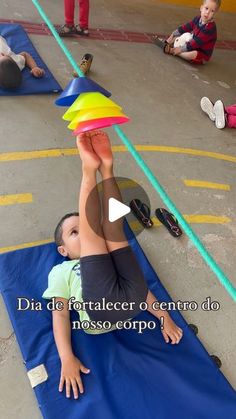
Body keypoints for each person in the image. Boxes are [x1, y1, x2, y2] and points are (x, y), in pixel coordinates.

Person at [43, 130, 183, 399]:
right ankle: (91, 170)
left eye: (80, 228)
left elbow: (142, 292)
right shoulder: (61, 271)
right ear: (63, 250)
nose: (81, 234)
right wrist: (66, 357)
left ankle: (106, 169)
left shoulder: (100, 245)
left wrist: (164, 316)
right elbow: (60, 314)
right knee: (103, 232)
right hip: (101, 310)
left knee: (112, 228)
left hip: (132, 296)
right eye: (75, 233)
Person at [154, 0, 220, 64]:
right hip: (193, 44)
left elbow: (196, 43)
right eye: (206, 8)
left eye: (212, 11)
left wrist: (180, 49)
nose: (207, 12)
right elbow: (187, 27)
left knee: (191, 55)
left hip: (201, 53)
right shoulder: (198, 18)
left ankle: (172, 51)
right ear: (201, 8)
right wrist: (173, 34)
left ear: (215, 13)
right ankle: (167, 42)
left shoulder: (210, 28)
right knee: (182, 36)